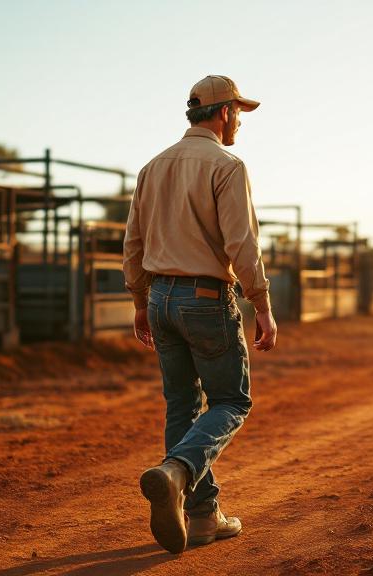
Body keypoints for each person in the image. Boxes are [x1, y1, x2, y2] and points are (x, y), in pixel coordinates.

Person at [122, 75, 278, 554]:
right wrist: (263, 306)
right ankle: (177, 471)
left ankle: (204, 517)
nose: (239, 124)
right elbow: (241, 244)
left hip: (161, 297)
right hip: (205, 299)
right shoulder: (227, 165)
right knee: (232, 401)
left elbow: (133, 243)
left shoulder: (153, 166)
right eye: (238, 114)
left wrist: (140, 302)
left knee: (182, 406)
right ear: (225, 112)